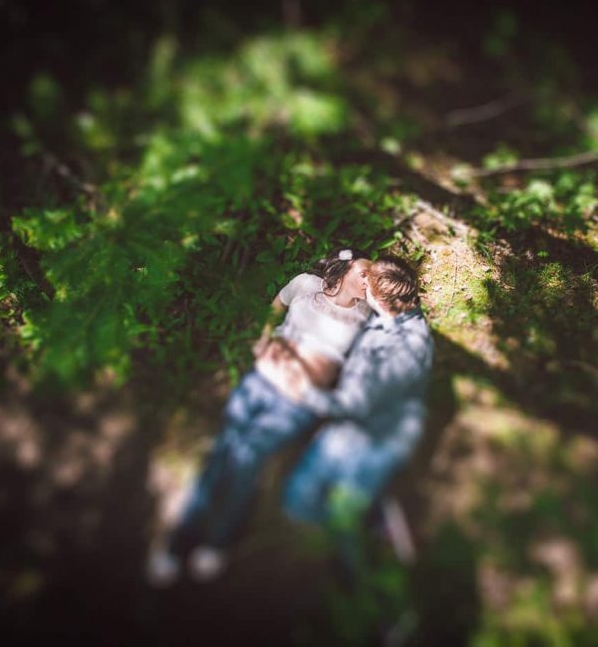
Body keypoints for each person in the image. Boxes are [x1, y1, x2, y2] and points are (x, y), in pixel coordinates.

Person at [146, 248, 372, 587]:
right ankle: (178, 544)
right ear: (346, 266)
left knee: (247, 461)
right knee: (221, 454)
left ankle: (218, 542)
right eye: (365, 272)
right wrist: (263, 339)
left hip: (297, 403)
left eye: (374, 279)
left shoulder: (368, 316)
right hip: (260, 382)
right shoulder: (306, 284)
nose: (369, 281)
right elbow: (276, 306)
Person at [280, 255, 433, 578]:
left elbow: (356, 403)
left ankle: (370, 588)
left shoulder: (408, 348)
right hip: (349, 425)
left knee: (342, 516)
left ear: (380, 298)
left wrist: (303, 392)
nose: (362, 282)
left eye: (368, 282)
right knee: (297, 499)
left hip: (380, 439)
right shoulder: (387, 315)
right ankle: (374, 515)